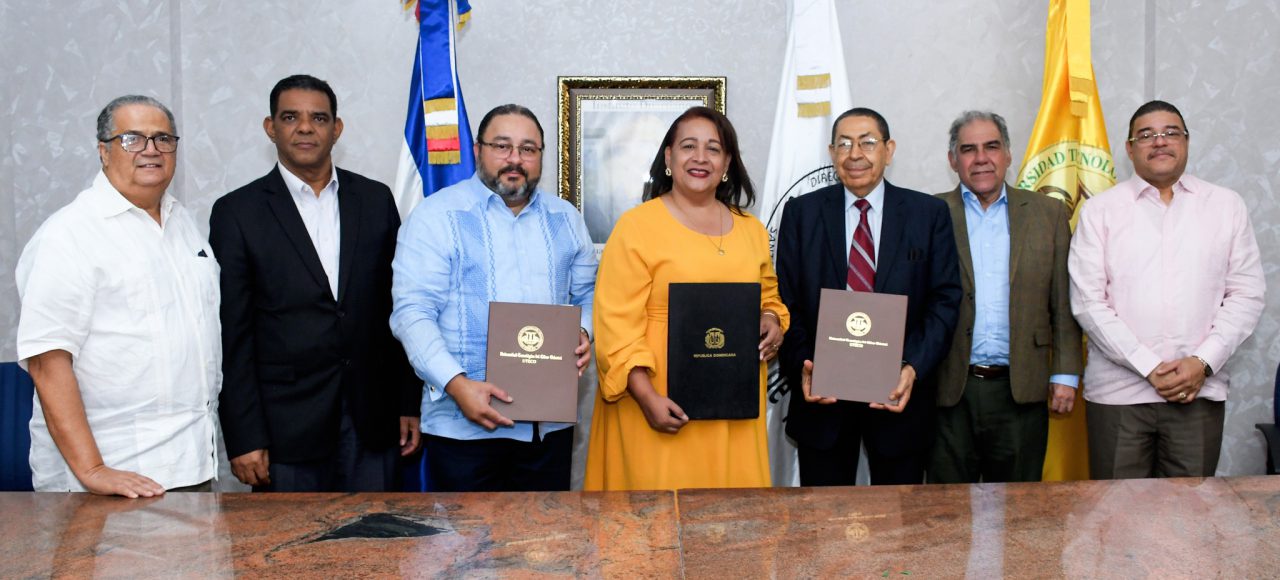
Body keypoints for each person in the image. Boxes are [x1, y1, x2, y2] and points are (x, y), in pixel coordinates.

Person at [209, 75, 421, 492]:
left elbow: (396, 308)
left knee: (377, 533)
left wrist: (406, 402)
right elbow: (232, 333)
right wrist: (245, 435)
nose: (305, 128)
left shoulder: (375, 200)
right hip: (285, 430)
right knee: (289, 537)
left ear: (336, 128)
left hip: (372, 420)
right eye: (291, 117)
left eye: (318, 118)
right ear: (270, 127)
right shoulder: (237, 212)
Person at [16, 95, 220, 496]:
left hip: (190, 463)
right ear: (104, 151)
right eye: (132, 139)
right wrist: (93, 469)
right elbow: (46, 361)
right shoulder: (69, 235)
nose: (151, 149)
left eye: (163, 138)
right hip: (111, 475)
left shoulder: (183, 225)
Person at [391, 104, 596, 492]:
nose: (515, 159)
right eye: (502, 146)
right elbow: (411, 313)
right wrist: (457, 385)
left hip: (546, 430)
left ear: (541, 155)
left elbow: (589, 291)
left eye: (528, 149)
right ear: (477, 149)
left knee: (546, 531)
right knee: (465, 534)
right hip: (462, 429)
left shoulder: (566, 218)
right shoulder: (436, 216)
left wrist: (583, 331)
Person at [584, 106, 789, 491]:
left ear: (727, 163)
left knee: (729, 517)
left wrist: (771, 320)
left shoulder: (752, 230)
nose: (700, 157)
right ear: (668, 157)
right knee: (654, 517)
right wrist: (646, 396)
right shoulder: (636, 227)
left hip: (732, 407)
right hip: (655, 402)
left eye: (713, 148)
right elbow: (615, 324)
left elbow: (769, 296)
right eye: (688, 146)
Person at [1069, 100, 1264, 479]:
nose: (1159, 141)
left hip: (1198, 392)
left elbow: (1247, 294)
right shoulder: (1100, 211)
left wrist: (1201, 362)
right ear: (1129, 149)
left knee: (1190, 512)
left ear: (1186, 142)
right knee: (1115, 511)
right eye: (1146, 135)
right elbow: (1088, 303)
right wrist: (1149, 367)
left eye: (1171, 133)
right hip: (1119, 397)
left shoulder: (1226, 206)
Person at [779, 107, 961, 486]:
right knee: (824, 519)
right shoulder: (801, 213)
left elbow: (944, 301)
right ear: (832, 153)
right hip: (822, 403)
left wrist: (912, 367)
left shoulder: (928, 214)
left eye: (867, 142)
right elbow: (786, 301)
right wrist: (805, 364)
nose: (855, 154)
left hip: (899, 400)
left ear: (888, 150)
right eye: (844, 144)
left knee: (898, 518)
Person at [927, 111, 1082, 484]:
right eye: (969, 149)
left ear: (1008, 154)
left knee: (1020, 508)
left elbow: (1063, 301)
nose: (981, 158)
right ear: (952, 160)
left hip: (1022, 389)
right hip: (948, 390)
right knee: (946, 509)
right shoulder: (929, 213)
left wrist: (1065, 374)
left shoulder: (1048, 214)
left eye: (992, 147)